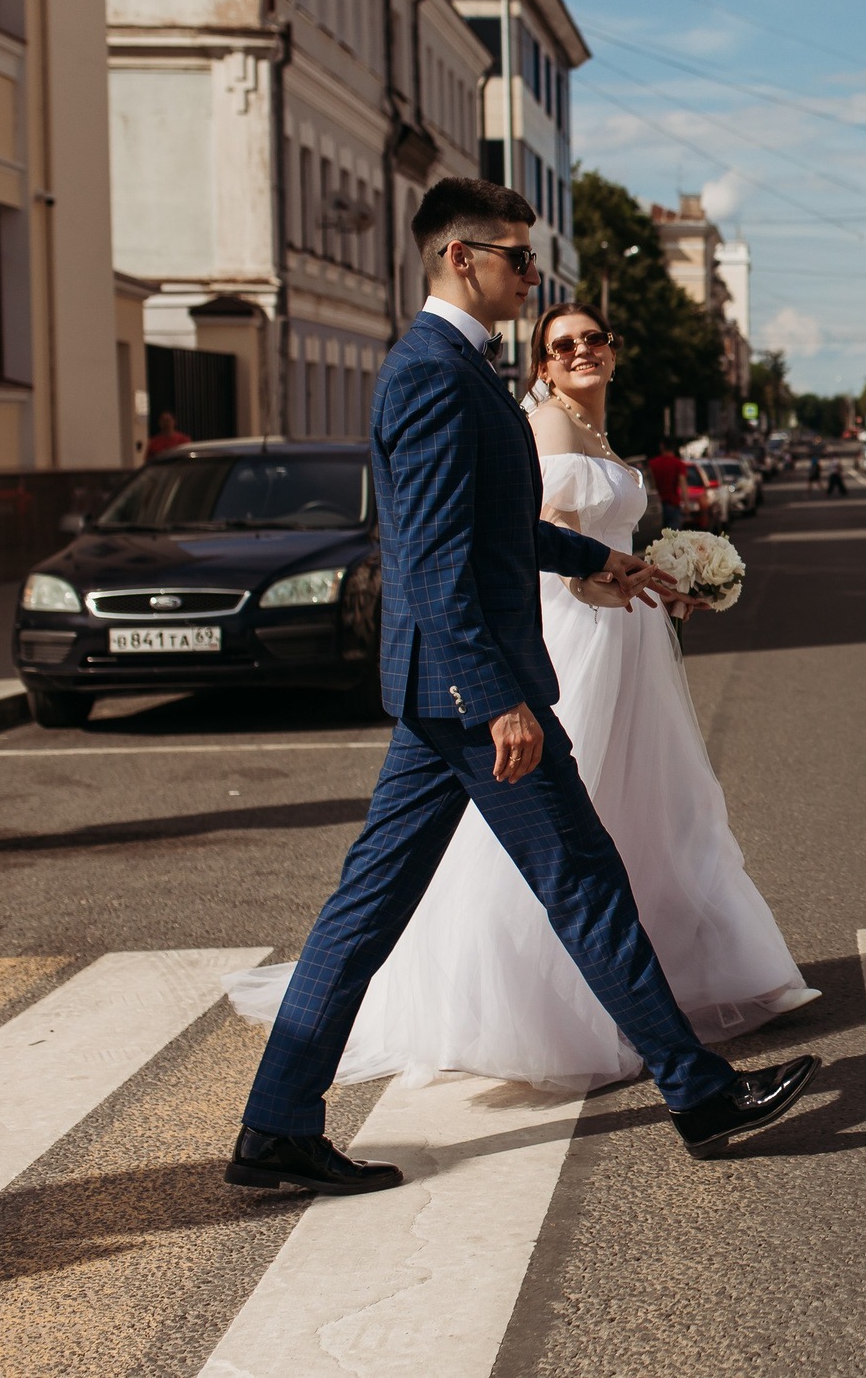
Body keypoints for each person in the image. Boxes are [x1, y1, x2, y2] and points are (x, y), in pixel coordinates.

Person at [223, 177, 815, 1197]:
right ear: (463, 257)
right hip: (470, 687)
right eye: (518, 257)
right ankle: (699, 1092)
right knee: (583, 879)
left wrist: (593, 557)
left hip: (444, 689)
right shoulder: (430, 373)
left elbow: (492, 523)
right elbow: (432, 553)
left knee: (365, 909)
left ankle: (274, 1126)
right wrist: (492, 696)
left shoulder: (458, 367)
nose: (530, 276)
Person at [648, 441, 689, 531]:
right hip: (673, 504)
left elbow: (649, 484)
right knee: (673, 537)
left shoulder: (652, 463)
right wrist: (686, 503)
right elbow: (682, 482)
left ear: (662, 447)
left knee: (656, 536)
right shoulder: (678, 464)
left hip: (655, 505)